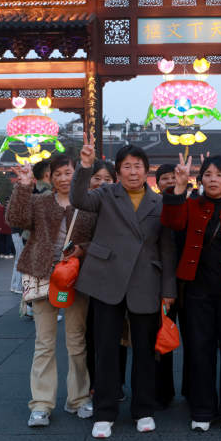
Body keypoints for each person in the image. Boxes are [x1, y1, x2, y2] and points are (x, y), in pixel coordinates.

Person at [69, 137, 177, 439]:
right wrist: (85, 165)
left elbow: (167, 249)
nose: (132, 171)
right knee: (106, 351)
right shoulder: (105, 194)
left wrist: (169, 289)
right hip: (108, 278)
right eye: (126, 166)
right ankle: (104, 413)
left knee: (145, 351)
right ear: (118, 172)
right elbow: (78, 200)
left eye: (138, 166)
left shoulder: (159, 202)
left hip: (146, 281)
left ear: (147, 171)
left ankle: (143, 410)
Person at [161, 154, 221, 432]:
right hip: (197, 295)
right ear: (201, 179)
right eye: (208, 174)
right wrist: (179, 188)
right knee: (199, 353)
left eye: (219, 174)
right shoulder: (190, 205)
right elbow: (172, 222)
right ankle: (202, 410)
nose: (213, 179)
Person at [7, 155, 99, 428]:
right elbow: (15, 218)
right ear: (50, 177)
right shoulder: (40, 201)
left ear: (77, 174)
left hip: (75, 279)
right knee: (44, 342)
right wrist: (24, 186)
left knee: (77, 340)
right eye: (57, 173)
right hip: (43, 276)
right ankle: (41, 404)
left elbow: (99, 240)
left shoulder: (88, 204)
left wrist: (83, 249)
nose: (62, 178)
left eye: (68, 172)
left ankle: (78, 398)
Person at [83, 160, 129, 402]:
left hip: (112, 277)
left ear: (115, 182)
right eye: (97, 178)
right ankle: (92, 381)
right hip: (83, 277)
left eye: (107, 179)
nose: (101, 183)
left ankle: (117, 382)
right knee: (90, 333)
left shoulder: (119, 206)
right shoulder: (81, 204)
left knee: (116, 334)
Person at [152, 162, 182, 410]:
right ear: (157, 183)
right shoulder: (152, 207)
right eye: (165, 178)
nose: (170, 181)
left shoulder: (192, 206)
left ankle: (193, 390)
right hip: (160, 283)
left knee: (195, 340)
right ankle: (162, 391)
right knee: (161, 338)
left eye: (174, 177)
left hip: (191, 283)